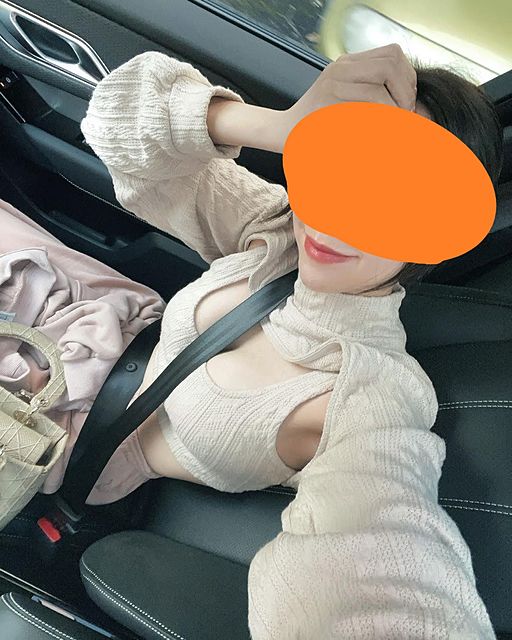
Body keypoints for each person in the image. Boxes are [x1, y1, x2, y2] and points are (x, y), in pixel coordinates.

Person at [79, 43, 500, 637]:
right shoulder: (277, 227)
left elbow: (382, 564)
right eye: (344, 166)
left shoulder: (370, 391)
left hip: (56, 448)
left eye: (395, 193)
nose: (335, 217)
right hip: (77, 321)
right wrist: (283, 127)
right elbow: (112, 121)